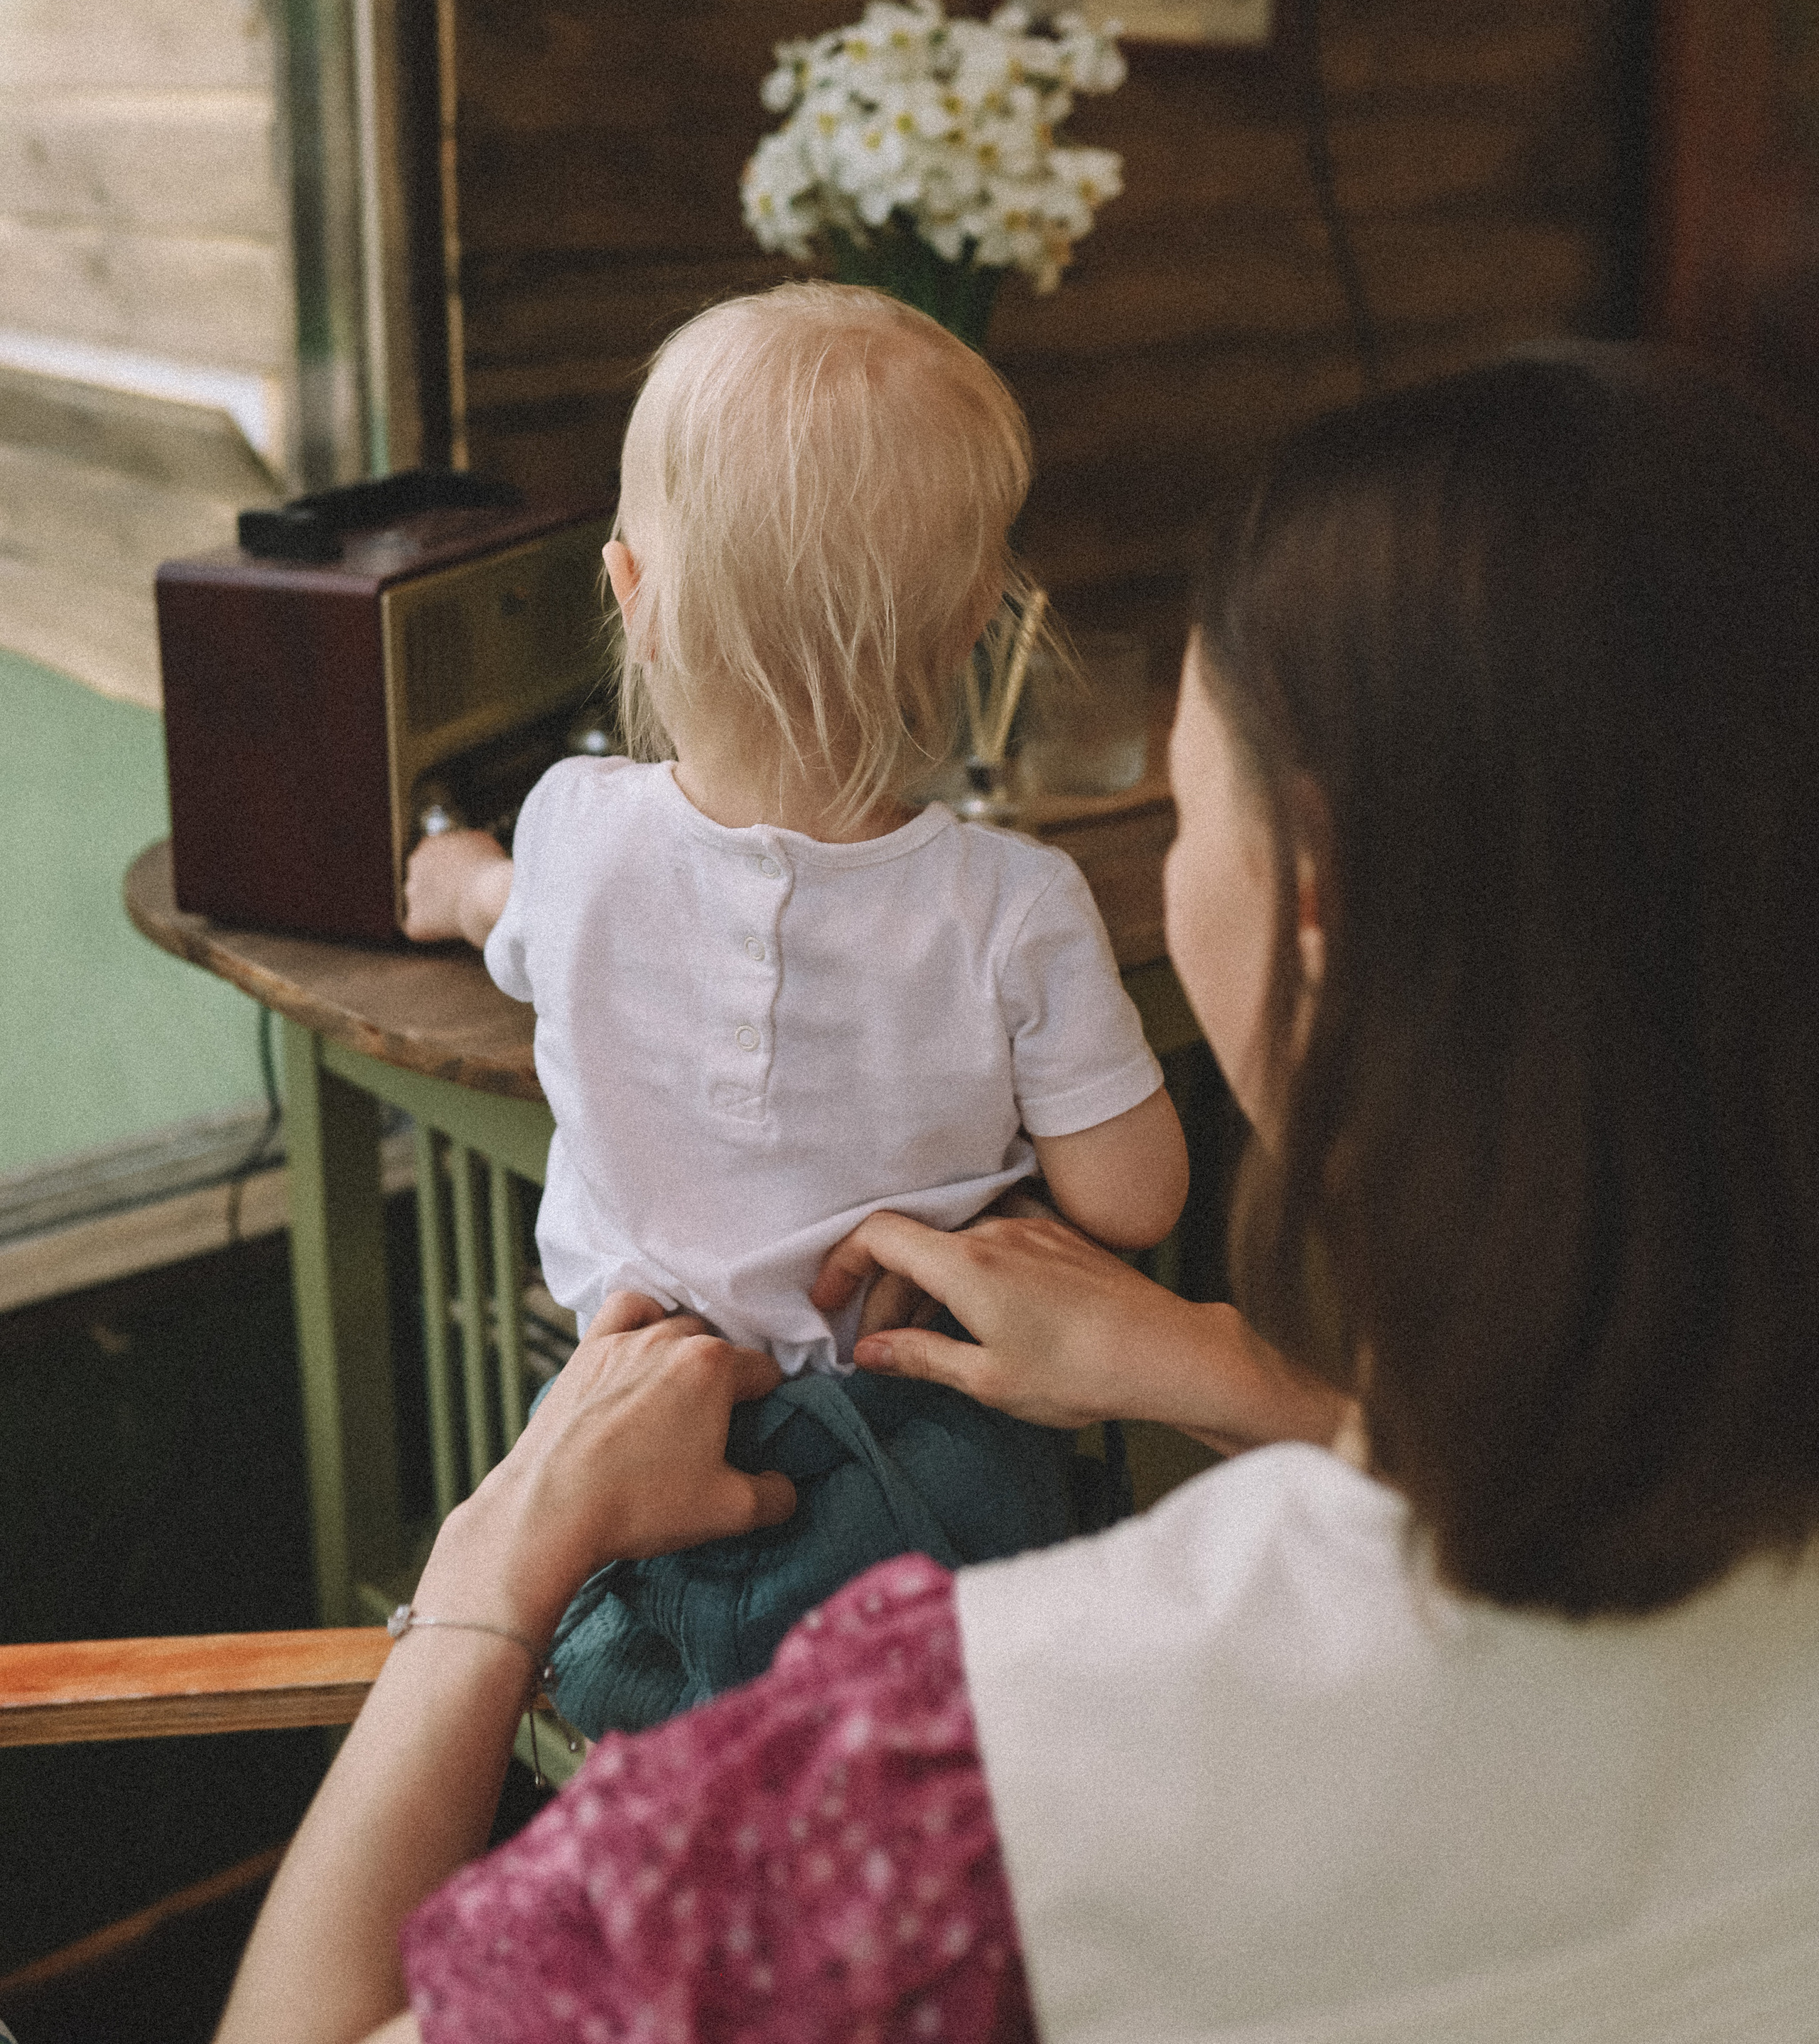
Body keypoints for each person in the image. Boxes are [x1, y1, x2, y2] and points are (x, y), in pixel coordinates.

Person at [218, 345, 1819, 2044]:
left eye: (1191, 808)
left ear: (1313, 906)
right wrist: (1250, 1383)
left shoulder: (939, 1776)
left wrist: (491, 1571)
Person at [401, 283, 1187, 1733]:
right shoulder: (1012, 902)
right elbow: (1132, 1197)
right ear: (969, 623)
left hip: (631, 1446)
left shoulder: (569, 832)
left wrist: (453, 884)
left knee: (657, 1793)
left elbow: (506, 921)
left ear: (630, 596)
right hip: (926, 1469)